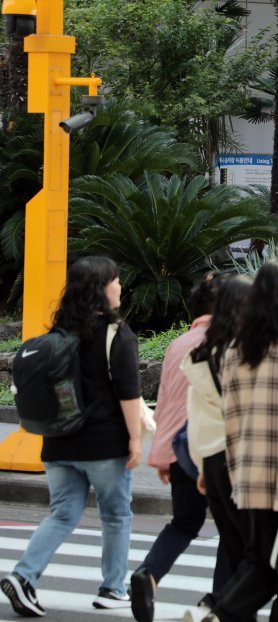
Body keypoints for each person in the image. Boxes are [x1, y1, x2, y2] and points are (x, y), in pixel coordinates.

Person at [182, 259, 278, 622]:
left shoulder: (235, 353)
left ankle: (218, 613)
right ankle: (220, 613)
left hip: (249, 483)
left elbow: (231, 424)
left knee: (263, 566)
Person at [2, 256, 142, 617]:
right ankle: (112, 588)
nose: (120, 286)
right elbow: (129, 393)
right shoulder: (116, 333)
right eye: (115, 280)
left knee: (63, 514)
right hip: (103, 445)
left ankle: (24, 575)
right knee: (115, 515)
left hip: (57, 445)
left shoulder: (58, 334)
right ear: (102, 288)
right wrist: (136, 439)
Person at [130, 276, 227, 622]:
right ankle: (219, 605)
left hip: (180, 451)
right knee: (233, 531)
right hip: (217, 452)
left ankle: (149, 574)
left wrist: (163, 455)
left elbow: (167, 403)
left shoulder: (178, 344)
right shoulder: (230, 343)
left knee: (184, 522)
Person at [180, 274, 254, 617]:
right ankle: (219, 610)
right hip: (243, 461)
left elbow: (196, 416)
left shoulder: (202, 353)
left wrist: (200, 466)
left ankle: (223, 609)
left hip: (211, 458)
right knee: (258, 558)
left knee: (237, 550)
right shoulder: (246, 355)